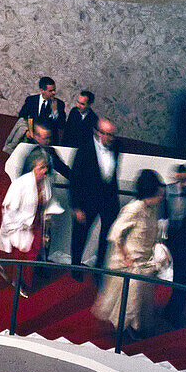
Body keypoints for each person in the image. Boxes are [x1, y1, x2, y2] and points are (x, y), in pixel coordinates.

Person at [92, 168, 166, 339]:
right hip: (130, 263)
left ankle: (133, 327)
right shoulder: (133, 209)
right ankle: (123, 331)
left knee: (140, 299)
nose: (161, 197)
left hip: (144, 262)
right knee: (129, 300)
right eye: (158, 194)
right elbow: (116, 233)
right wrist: (125, 256)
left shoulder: (152, 209)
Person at [0, 149, 56, 295]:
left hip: (38, 223)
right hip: (21, 226)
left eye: (46, 166)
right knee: (23, 255)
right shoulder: (20, 184)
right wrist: (18, 226)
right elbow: (9, 208)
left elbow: (48, 203)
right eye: (42, 167)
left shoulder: (46, 182)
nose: (45, 170)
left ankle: (20, 278)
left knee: (33, 254)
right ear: (32, 167)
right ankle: (19, 282)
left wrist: (47, 225)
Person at [69, 116, 121, 278]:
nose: (108, 138)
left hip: (109, 202)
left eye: (111, 135)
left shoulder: (116, 147)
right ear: (96, 132)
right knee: (80, 235)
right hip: (86, 201)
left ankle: (99, 269)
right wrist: (76, 207)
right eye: (105, 134)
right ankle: (75, 268)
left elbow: (111, 175)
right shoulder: (84, 149)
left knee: (107, 237)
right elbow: (75, 179)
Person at [159, 163, 186, 327]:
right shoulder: (166, 191)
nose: (183, 182)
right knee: (178, 277)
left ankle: (175, 310)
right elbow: (162, 216)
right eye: (180, 178)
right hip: (171, 240)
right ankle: (172, 310)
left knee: (185, 279)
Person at [18, 77, 66, 145]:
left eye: (54, 90)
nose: (54, 93)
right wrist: (27, 131)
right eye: (50, 91)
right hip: (31, 140)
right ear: (42, 90)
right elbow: (22, 117)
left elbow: (61, 125)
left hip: (48, 142)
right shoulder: (31, 100)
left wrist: (55, 112)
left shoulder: (59, 104)